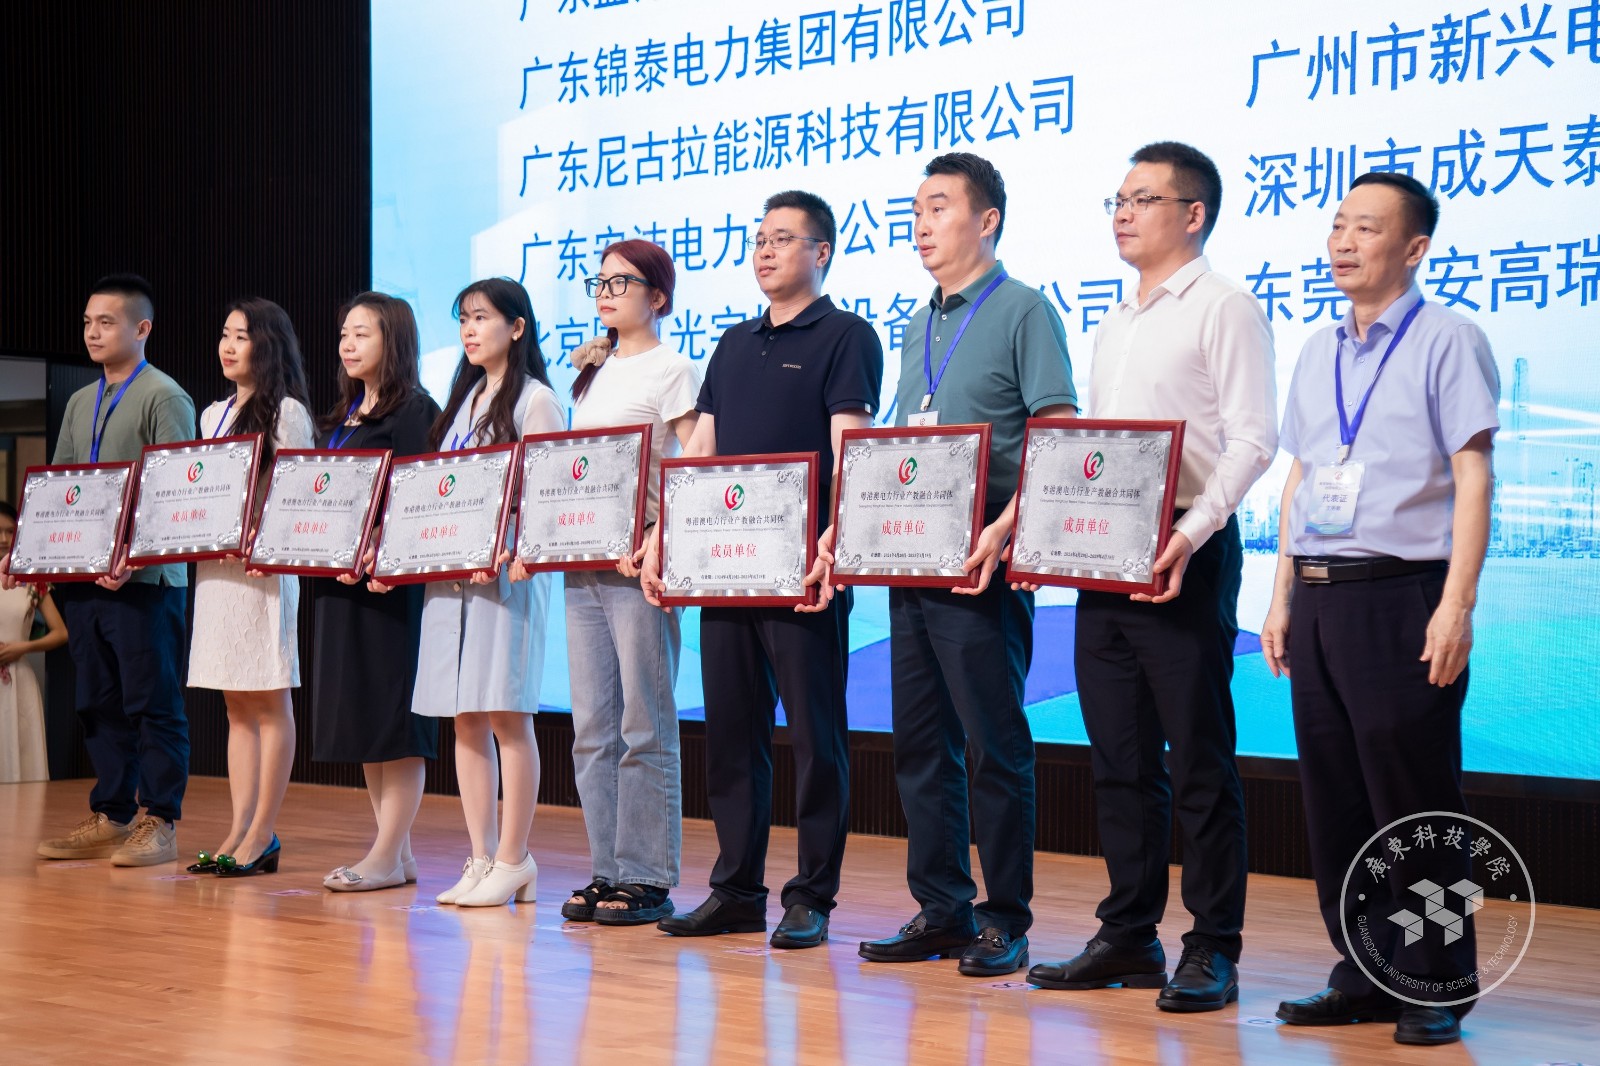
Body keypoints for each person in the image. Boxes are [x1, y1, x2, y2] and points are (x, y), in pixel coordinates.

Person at [1026, 143, 1277, 1010]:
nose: (1123, 214)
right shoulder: (1115, 321)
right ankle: (1129, 935)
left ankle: (1213, 945)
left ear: (1193, 214)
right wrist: (1047, 540)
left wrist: (1194, 533)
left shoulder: (1225, 306)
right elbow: (1099, 455)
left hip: (1186, 552)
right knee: (1120, 760)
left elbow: (1253, 439)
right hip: (1107, 558)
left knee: (1198, 760)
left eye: (1143, 199)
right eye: (1118, 199)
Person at [1261, 172, 1498, 1048]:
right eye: (1338, 225)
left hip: (1403, 596)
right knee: (1338, 801)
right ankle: (1364, 971)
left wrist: (1456, 605)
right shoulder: (1317, 349)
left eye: (1366, 227)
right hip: (1320, 598)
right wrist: (1280, 596)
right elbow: (1300, 477)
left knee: (1414, 802)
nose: (1343, 242)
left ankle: (1435, 982)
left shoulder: (1449, 339)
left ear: (1415, 247)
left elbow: (1474, 475)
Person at [849, 152, 1076, 978]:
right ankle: (941, 908)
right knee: (920, 743)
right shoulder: (919, 323)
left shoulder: (1024, 309)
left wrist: (1009, 529)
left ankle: (1004, 918)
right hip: (912, 554)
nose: (921, 224)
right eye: (915, 210)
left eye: (939, 207)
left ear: (987, 220)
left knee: (992, 743)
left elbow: (1056, 429)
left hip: (984, 555)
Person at [644, 190, 884, 950]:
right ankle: (736, 891)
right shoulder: (732, 343)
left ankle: (811, 896)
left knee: (815, 737)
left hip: (804, 571)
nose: (765, 252)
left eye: (783, 239)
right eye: (758, 241)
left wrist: (834, 546)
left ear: (822, 251)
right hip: (724, 569)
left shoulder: (846, 335)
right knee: (732, 734)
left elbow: (850, 450)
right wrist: (665, 536)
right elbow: (701, 451)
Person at [26, 274, 196, 866]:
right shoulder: (81, 400)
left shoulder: (165, 396)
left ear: (141, 328)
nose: (92, 333)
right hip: (84, 577)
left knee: (152, 702)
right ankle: (113, 814)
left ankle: (161, 820)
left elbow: (175, 496)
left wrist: (135, 557)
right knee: (97, 701)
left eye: (106, 322)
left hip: (144, 582)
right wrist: (32, 555)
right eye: (87, 322)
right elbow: (61, 487)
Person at [559, 240, 700, 926]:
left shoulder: (674, 369)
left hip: (637, 565)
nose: (606, 292)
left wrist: (658, 537)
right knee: (591, 728)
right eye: (601, 281)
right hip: (581, 563)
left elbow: (694, 465)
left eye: (622, 282)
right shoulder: (592, 371)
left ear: (658, 297)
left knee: (644, 721)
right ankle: (606, 869)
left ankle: (646, 874)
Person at [414, 277, 564, 908]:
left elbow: (550, 494)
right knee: (466, 718)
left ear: (517, 326)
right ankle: (480, 858)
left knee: (507, 715)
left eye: (481, 318)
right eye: (463, 320)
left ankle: (514, 857)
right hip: (451, 579)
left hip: (506, 577)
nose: (470, 331)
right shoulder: (464, 401)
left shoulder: (536, 400)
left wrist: (512, 548)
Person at [315, 292, 442, 892]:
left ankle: (386, 854)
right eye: (345, 333)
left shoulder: (414, 410)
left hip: (391, 589)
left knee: (397, 723)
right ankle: (398, 853)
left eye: (362, 333)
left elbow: (420, 502)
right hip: (342, 585)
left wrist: (377, 550)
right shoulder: (341, 417)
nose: (348, 344)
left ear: (393, 340)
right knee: (368, 722)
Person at [184, 298, 315, 877]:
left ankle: (263, 831)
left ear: (268, 344)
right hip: (218, 571)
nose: (228, 345)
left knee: (269, 698)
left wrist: (267, 547)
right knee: (236, 705)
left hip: (263, 571)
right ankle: (238, 827)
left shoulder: (287, 412)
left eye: (241, 335)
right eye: (225, 334)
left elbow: (297, 496)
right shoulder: (211, 414)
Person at [0, 501, 68, 782]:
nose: (4, 538)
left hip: (19, 680)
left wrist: (23, 647)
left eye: (10, 531)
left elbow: (61, 632)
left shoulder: (31, 579)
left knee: (23, 762)